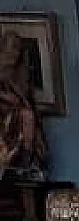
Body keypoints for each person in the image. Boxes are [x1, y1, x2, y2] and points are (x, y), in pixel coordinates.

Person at [0, 27, 47, 182]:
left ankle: (26, 158)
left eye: (18, 49)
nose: (14, 53)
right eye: (11, 48)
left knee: (28, 115)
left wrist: (18, 99)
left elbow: (26, 97)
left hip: (17, 110)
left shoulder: (21, 72)